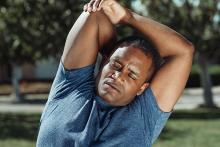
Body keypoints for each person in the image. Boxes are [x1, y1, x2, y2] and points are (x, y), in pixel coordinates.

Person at [36, 0, 194, 146]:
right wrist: (112, 49)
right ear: (104, 61)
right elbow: (95, 14)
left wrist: (128, 17)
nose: (118, 77)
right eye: (116, 66)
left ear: (142, 88)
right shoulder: (71, 86)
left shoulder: (144, 115)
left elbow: (183, 52)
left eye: (132, 75)